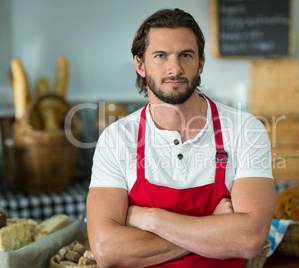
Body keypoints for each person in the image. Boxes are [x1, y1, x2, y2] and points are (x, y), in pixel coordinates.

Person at [86, 8, 276, 268]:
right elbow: (107, 250)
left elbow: (249, 240)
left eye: (185, 55)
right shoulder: (117, 139)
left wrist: (153, 219)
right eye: (161, 56)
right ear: (140, 65)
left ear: (200, 63)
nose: (174, 68)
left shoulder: (245, 130)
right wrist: (213, 224)